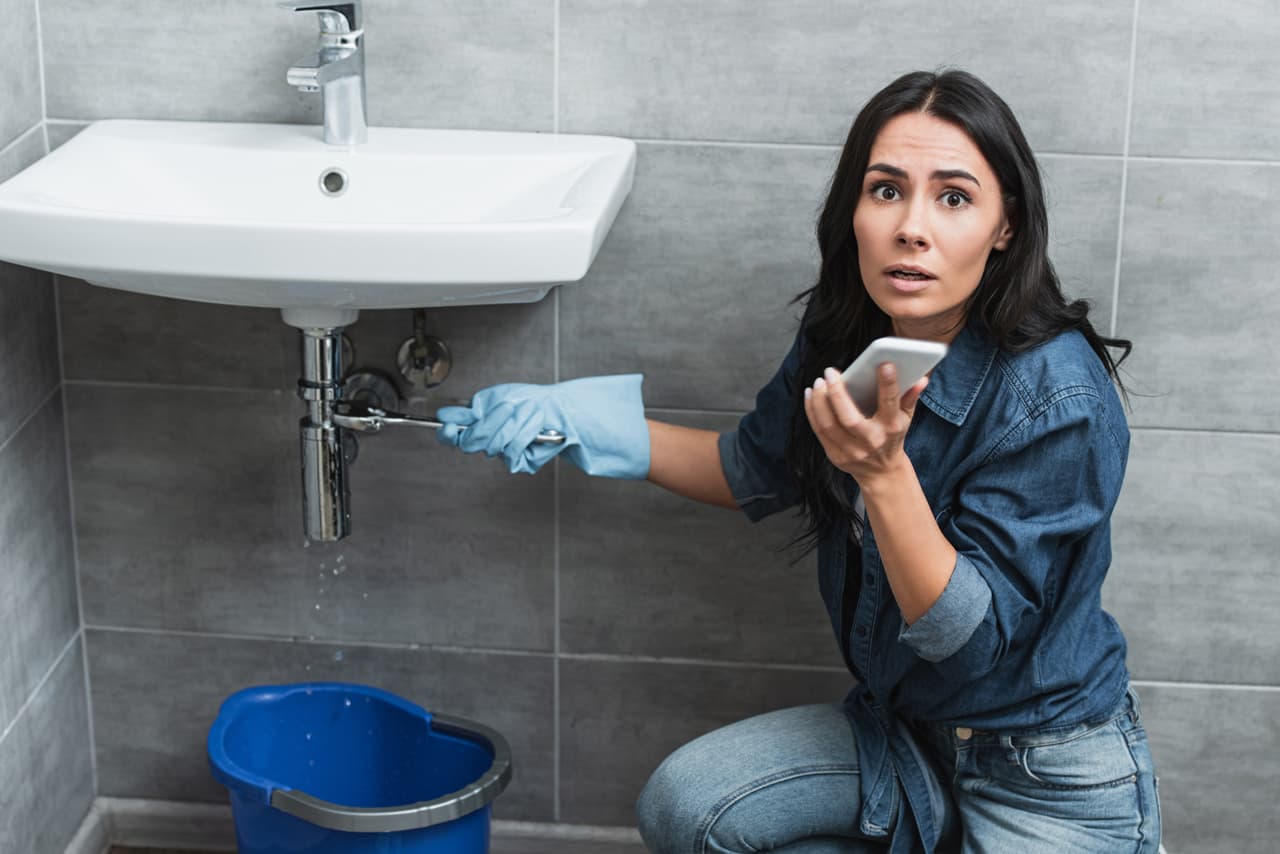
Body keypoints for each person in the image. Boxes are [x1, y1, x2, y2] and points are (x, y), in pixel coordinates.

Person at [435, 69, 1162, 854]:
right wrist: (583, 425)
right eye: (886, 190)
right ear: (854, 208)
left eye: (954, 198)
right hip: (906, 744)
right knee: (689, 805)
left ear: (1005, 226)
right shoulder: (848, 333)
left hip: (1042, 774)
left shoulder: (1056, 396)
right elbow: (749, 466)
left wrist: (885, 477)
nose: (911, 227)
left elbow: (971, 642)